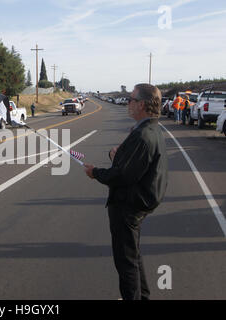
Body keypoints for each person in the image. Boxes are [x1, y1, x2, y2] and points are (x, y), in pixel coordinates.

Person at [84, 83, 168, 300]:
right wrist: (117, 156)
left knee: (126, 262)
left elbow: (123, 176)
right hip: (138, 202)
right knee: (133, 255)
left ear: (142, 104)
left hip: (129, 205)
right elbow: (133, 166)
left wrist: (96, 172)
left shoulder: (142, 135)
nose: (128, 103)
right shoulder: (151, 129)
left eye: (131, 100)